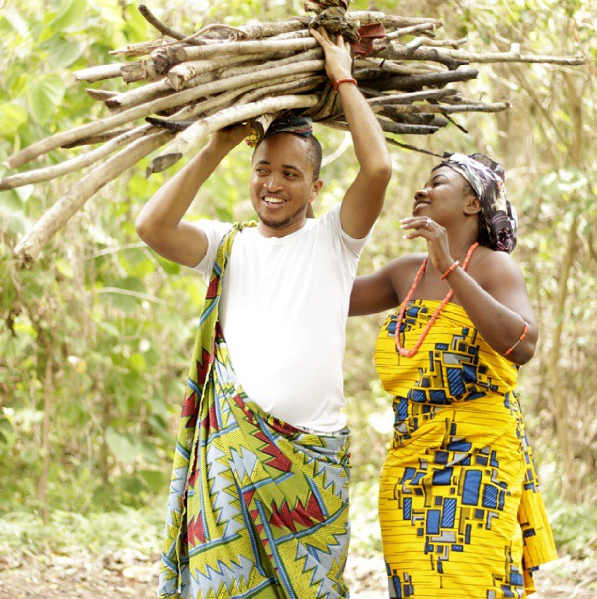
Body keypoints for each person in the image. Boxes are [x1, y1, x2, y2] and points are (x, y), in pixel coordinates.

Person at [135, 25, 392, 599]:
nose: (273, 184)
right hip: (230, 465)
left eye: (290, 173)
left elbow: (377, 170)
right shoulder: (225, 246)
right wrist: (217, 146)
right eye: (263, 170)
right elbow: (151, 227)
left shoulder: (335, 242)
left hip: (311, 465)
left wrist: (341, 75)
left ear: (317, 186)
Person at [349, 152, 557, 599]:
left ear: (472, 205)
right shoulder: (405, 273)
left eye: (438, 182)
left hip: (479, 464)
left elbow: (523, 343)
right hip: (409, 468)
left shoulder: (494, 266)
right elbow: (328, 295)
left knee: (470, 587)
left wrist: (450, 267)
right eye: (424, 182)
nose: (423, 189)